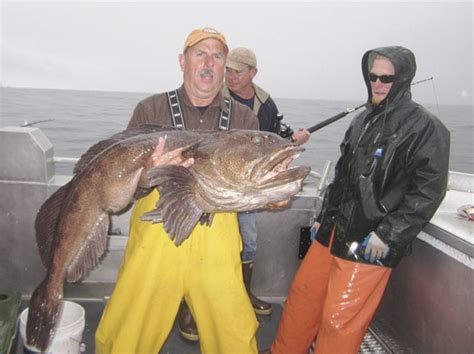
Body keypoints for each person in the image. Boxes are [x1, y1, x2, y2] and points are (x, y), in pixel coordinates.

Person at [264, 46, 450, 354]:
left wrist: (388, 234)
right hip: (333, 231)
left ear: (402, 79)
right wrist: (324, 216)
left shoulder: (426, 127)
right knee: (302, 296)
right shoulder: (361, 121)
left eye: (386, 78)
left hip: (369, 240)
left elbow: (428, 191)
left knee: (340, 319)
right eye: (372, 76)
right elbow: (341, 177)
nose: (377, 83)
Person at [95, 27, 263, 354]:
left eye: (217, 56)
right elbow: (125, 185)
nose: (209, 63)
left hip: (218, 237)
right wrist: (148, 175)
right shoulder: (150, 110)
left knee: (236, 335)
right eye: (200, 53)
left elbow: (248, 185)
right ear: (182, 61)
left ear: (225, 66)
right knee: (128, 331)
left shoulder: (245, 118)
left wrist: (271, 193)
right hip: (157, 237)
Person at [177, 46, 311, 341]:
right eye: (229, 69)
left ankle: (243, 295)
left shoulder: (264, 102)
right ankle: (190, 309)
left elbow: (271, 138)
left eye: (237, 70)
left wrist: (291, 141)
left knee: (247, 244)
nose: (230, 75)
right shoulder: (214, 93)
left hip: (248, 185)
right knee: (200, 248)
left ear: (253, 72)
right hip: (214, 185)